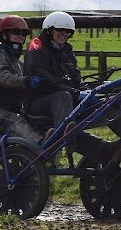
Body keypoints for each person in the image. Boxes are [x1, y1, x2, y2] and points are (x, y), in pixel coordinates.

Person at [24, 11, 115, 162]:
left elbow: (76, 78)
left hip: (65, 97)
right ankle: (64, 136)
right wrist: (75, 93)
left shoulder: (66, 51)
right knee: (63, 96)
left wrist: (87, 91)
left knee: (105, 100)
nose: (64, 34)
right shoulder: (36, 51)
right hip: (38, 103)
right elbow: (47, 83)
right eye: (60, 30)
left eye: (68, 31)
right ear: (49, 30)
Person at [0, 15, 45, 143]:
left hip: (9, 109)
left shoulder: (18, 63)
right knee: (15, 122)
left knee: (37, 119)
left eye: (24, 34)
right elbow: (3, 77)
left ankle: (36, 153)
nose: (20, 36)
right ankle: (41, 146)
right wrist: (26, 81)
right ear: (4, 35)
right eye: (16, 32)